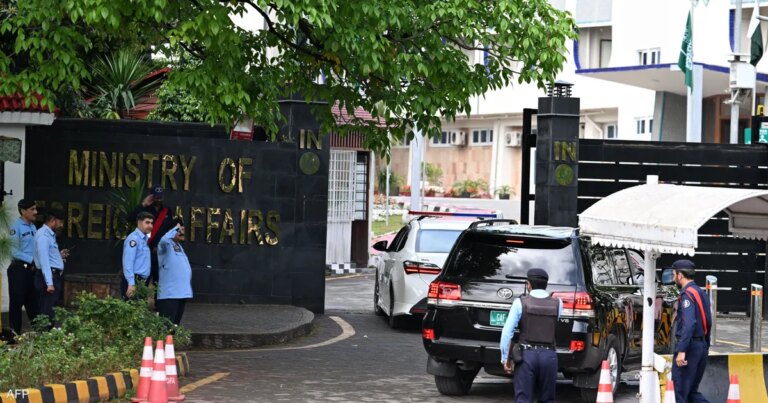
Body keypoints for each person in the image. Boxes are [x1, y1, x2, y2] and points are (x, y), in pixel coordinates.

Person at [499, 268, 563, 403]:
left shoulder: (520, 303)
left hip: (526, 357)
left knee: (523, 399)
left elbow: (507, 332)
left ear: (529, 284)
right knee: (548, 399)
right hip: (549, 357)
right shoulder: (558, 303)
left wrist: (505, 358)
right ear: (546, 284)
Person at [671, 259, 711, 403]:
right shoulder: (700, 292)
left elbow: (689, 324)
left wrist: (682, 350)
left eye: (673, 274)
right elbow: (709, 320)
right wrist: (706, 345)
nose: (673, 277)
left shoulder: (687, 295)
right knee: (691, 393)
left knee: (679, 391)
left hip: (690, 349)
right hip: (700, 346)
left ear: (680, 275)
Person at [130, 186, 174, 284]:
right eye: (156, 197)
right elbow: (130, 218)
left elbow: (169, 230)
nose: (158, 199)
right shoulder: (144, 209)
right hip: (146, 252)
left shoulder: (167, 211)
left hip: (161, 253)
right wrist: (143, 204)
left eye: (160, 197)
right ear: (151, 196)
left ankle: (158, 300)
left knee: (159, 283)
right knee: (143, 282)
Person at [7, 199, 39, 334]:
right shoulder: (16, 227)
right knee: (16, 303)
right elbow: (13, 251)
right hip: (18, 270)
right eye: (32, 209)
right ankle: (14, 336)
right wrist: (31, 259)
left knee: (32, 303)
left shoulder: (33, 227)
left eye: (35, 209)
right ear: (23, 211)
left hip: (31, 271)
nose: (35, 212)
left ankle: (40, 333)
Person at [33, 208, 69, 326]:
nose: (61, 225)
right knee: (46, 313)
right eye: (60, 222)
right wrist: (49, 283)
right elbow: (44, 261)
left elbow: (48, 256)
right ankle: (44, 340)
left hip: (53, 276)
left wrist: (58, 256)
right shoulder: (43, 236)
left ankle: (47, 339)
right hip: (48, 278)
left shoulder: (49, 235)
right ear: (53, 220)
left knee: (49, 312)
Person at [156, 219, 192, 325]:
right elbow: (163, 240)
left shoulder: (179, 246)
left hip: (181, 293)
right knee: (165, 328)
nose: (181, 233)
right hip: (169, 294)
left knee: (174, 328)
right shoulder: (165, 246)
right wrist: (175, 228)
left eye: (182, 230)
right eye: (179, 231)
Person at [121, 212, 154, 299]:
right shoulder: (133, 239)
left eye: (151, 223)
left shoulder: (144, 239)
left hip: (142, 281)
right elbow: (128, 262)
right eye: (147, 222)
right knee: (132, 310)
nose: (150, 225)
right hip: (134, 281)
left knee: (139, 310)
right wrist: (131, 283)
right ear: (139, 222)